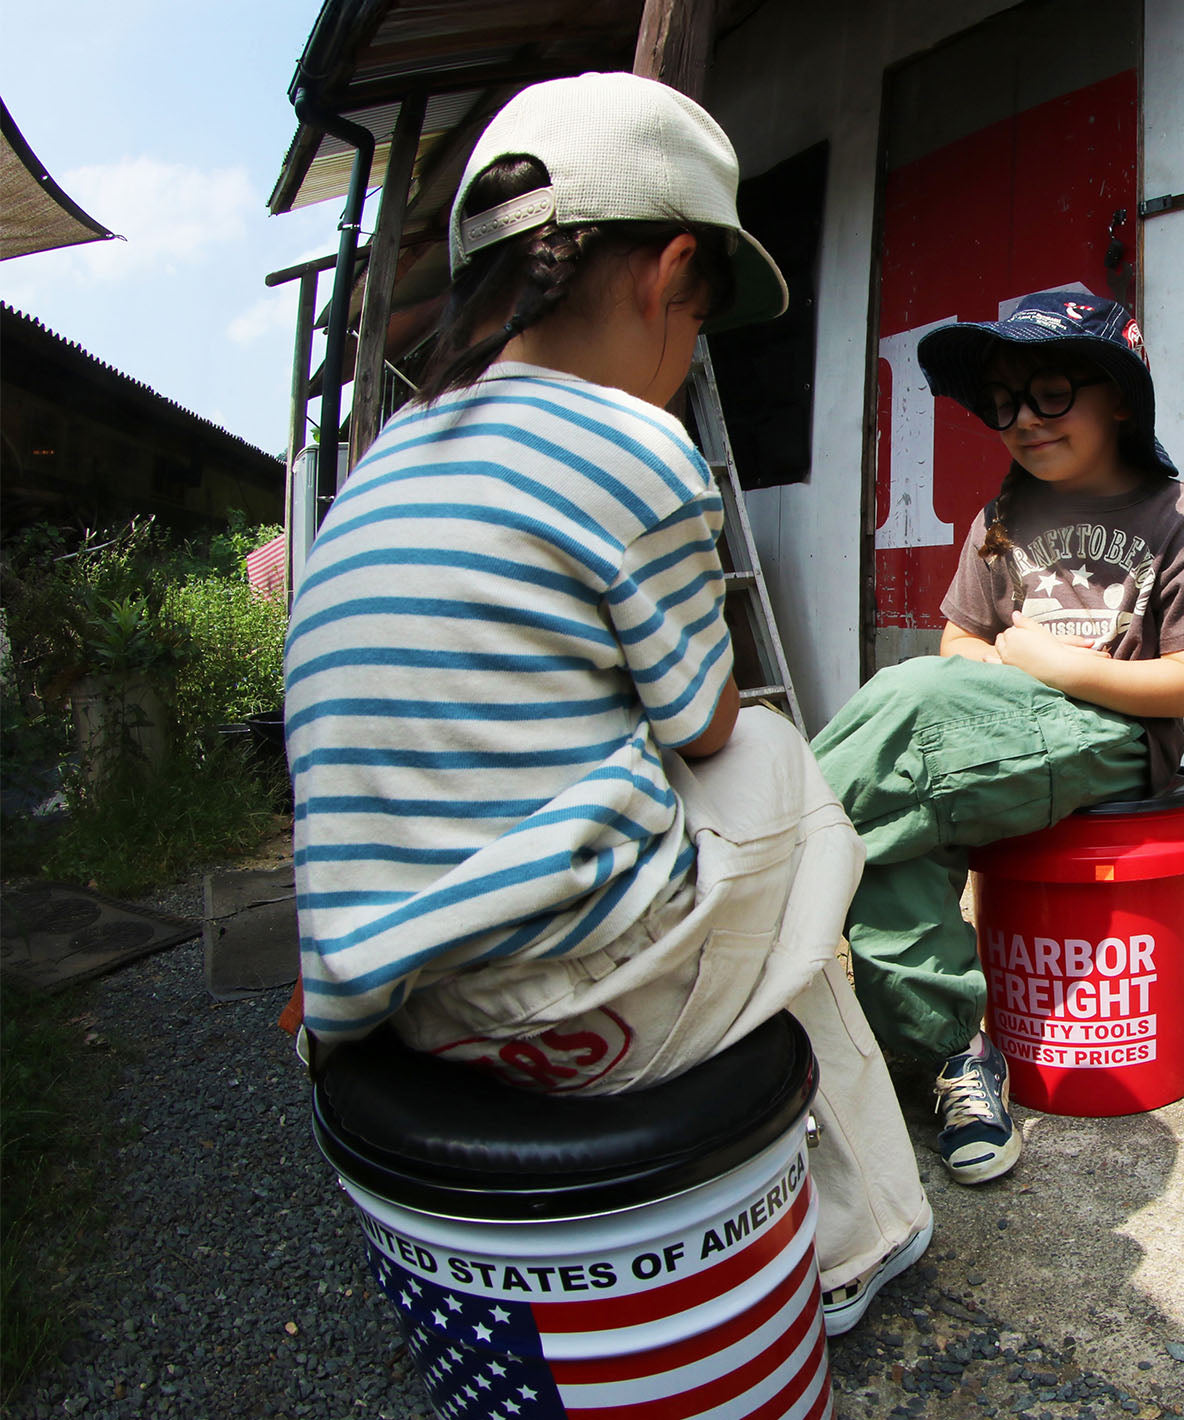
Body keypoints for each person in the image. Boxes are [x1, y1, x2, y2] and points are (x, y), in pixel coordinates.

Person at [284, 70, 930, 1335]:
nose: (689, 356)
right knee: (783, 773)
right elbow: (701, 723)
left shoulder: (382, 466)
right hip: (577, 1012)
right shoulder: (634, 444)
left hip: (401, 1012)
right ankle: (859, 1239)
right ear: (666, 270)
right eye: (699, 322)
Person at [812, 289, 1184, 1185]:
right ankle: (955, 1053)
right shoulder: (1002, 516)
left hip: (1119, 739)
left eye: (1050, 391)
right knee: (901, 818)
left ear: (1121, 398)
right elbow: (959, 645)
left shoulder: (1173, 516)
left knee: (908, 709)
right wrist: (1005, 665)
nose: (1023, 418)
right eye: (1005, 403)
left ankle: (748, 867)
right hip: (1005, 733)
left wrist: (1054, 667)